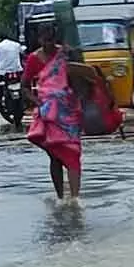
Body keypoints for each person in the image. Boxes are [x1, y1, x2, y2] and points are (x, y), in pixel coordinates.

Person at [23, 24, 82, 200]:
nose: (49, 44)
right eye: (45, 40)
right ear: (39, 39)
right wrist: (39, 103)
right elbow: (24, 86)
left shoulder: (65, 54)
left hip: (68, 111)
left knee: (73, 152)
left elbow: (80, 76)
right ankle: (61, 198)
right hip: (48, 114)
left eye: (52, 39)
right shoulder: (34, 59)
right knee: (55, 156)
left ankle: (75, 198)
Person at [0, 33, 24, 129]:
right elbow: (23, 54)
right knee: (24, 88)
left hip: (2, 74)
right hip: (17, 72)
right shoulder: (17, 45)